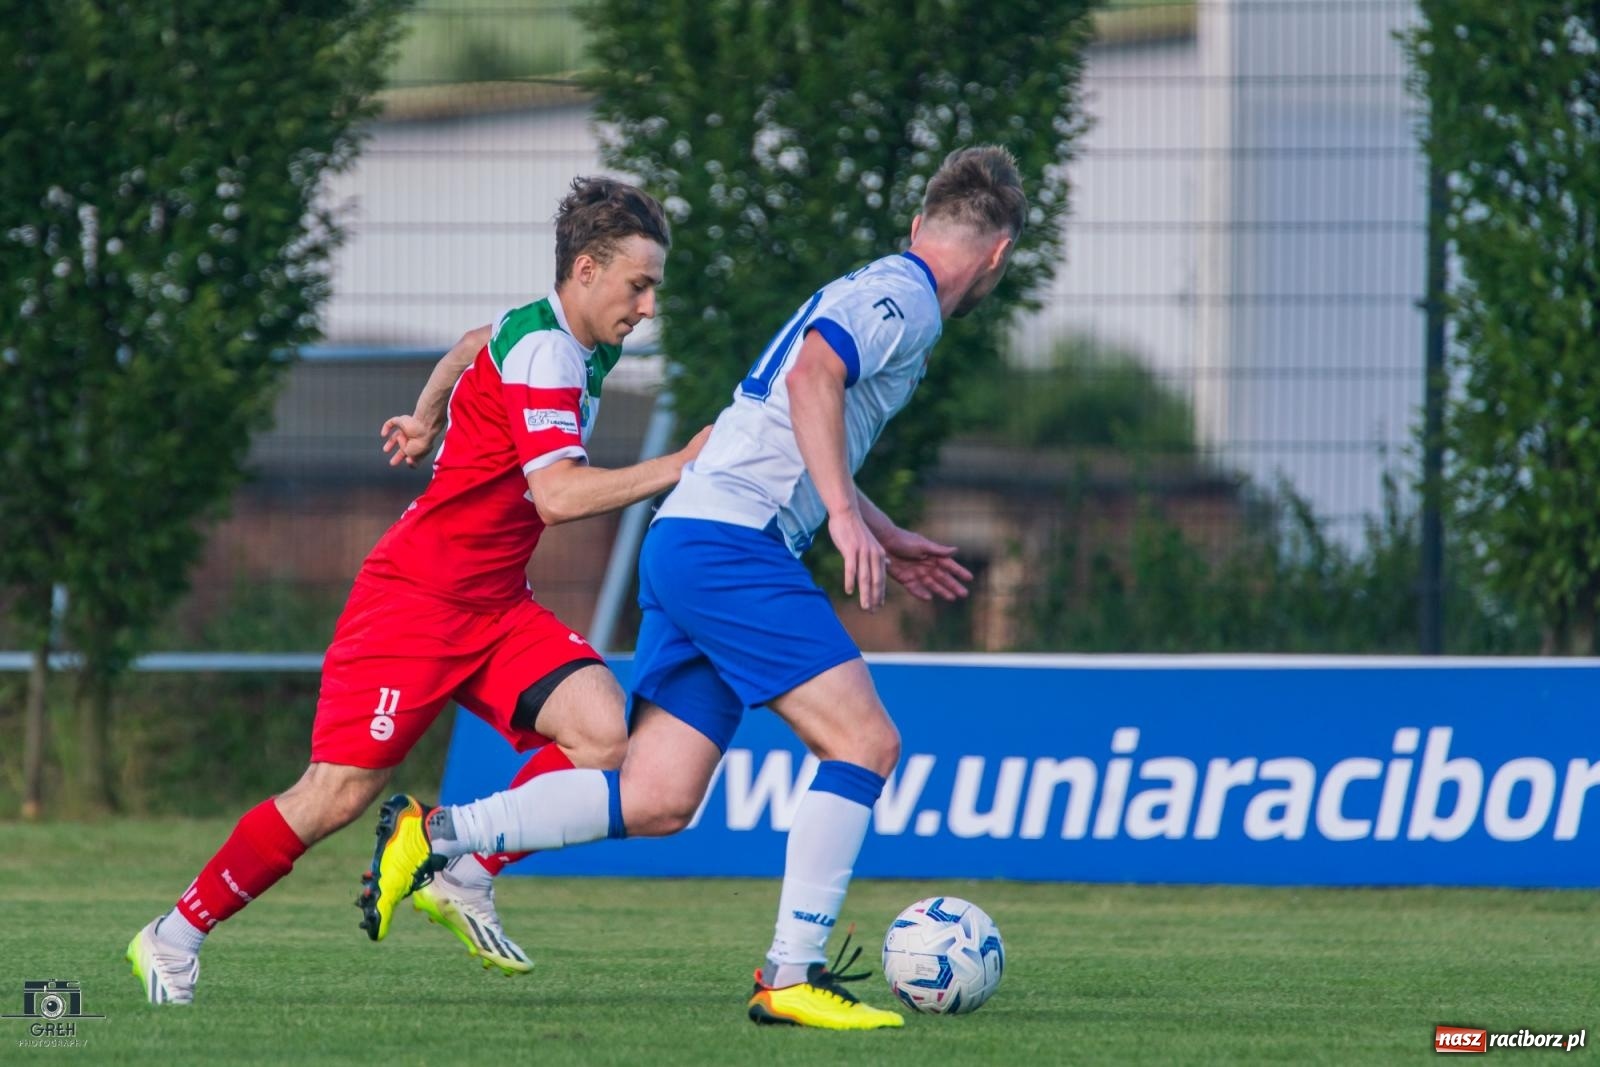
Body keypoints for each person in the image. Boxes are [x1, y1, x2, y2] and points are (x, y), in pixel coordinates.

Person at [362, 145, 1023, 1030]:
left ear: (918, 225)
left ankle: (440, 835)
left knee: (660, 795)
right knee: (864, 743)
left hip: (691, 537)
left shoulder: (879, 287)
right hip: (733, 545)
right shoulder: (904, 297)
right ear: (997, 255)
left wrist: (883, 528)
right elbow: (812, 376)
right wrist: (840, 515)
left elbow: (795, 410)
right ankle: (791, 972)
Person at [126, 177, 709, 1005]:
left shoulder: (553, 328)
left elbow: (475, 340)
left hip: (496, 603)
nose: (648, 306)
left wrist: (426, 414)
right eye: (638, 285)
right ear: (585, 269)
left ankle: (461, 866)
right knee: (336, 793)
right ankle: (172, 934)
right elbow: (560, 497)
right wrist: (679, 465)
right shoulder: (549, 351)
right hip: (416, 603)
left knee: (603, 734)